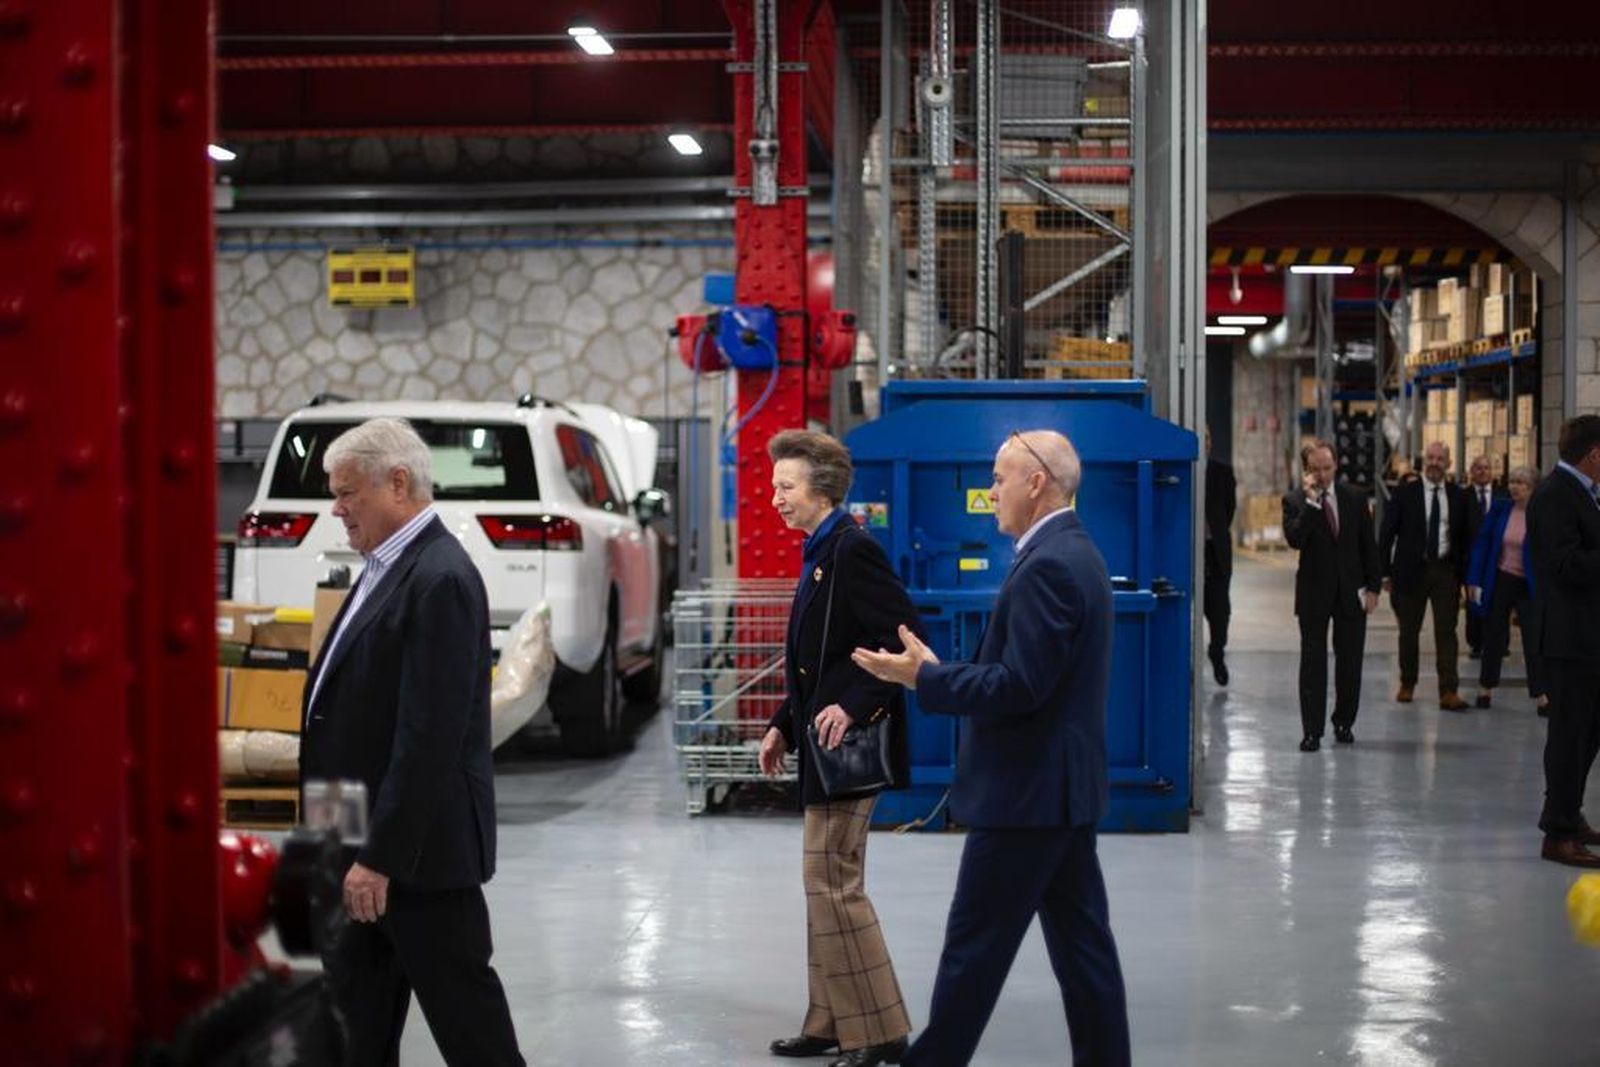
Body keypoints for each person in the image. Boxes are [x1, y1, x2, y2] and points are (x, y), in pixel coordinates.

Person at [852, 429, 1130, 1067]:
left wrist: (923, 676)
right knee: (1085, 955)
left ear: (1037, 483)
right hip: (1057, 794)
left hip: (1026, 797)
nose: (991, 492)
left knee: (973, 952)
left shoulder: (1053, 565)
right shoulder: (1072, 552)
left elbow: (1019, 686)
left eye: (999, 479)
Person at [299, 418, 524, 1066]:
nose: (336, 509)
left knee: (470, 1029)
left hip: (415, 858)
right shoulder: (382, 565)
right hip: (355, 845)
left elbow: (430, 736)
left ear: (397, 482)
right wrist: (331, 844)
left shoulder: (440, 578)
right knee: (356, 1029)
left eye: (347, 493)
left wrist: (380, 856)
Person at [757, 430, 915, 1067]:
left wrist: (852, 703)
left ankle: (878, 1030)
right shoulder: (819, 551)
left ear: (820, 491)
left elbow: (903, 637)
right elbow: (811, 662)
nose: (776, 499)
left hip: (850, 746)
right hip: (821, 744)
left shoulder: (854, 552)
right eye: (775, 487)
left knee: (834, 884)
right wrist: (783, 725)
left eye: (786, 487)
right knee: (822, 884)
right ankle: (829, 1020)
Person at [1528, 415, 1600, 869]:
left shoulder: (1584, 494)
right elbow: (1564, 566)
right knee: (1570, 736)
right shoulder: (1555, 495)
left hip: (1589, 637)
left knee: (1589, 732)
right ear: (1594, 454)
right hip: (1570, 638)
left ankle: (1568, 814)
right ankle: (1557, 835)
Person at [1282, 440, 1381, 750]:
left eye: (1327, 468)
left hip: (1352, 591)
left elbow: (1368, 545)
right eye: (1316, 470)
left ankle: (1343, 722)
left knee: (1350, 661)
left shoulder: (1355, 498)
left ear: (1336, 465)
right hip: (1314, 593)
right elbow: (1296, 539)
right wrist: (1312, 503)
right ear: (1307, 471)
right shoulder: (1295, 500)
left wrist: (1374, 587)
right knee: (1313, 664)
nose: (1323, 475)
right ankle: (1312, 730)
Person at [1379, 441, 1471, 711]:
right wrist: (1384, 573)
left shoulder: (1458, 496)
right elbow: (1386, 534)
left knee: (1447, 632)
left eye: (1440, 459)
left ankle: (1449, 690)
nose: (1434, 462)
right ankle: (1407, 683)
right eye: (1430, 457)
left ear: (1449, 463)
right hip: (1410, 571)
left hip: (1445, 571)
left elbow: (1465, 538)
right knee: (1408, 631)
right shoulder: (1405, 493)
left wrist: (1464, 575)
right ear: (1423, 460)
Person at [1465, 465, 1544, 710]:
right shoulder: (1500, 509)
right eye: (1512, 481)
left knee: (1534, 639)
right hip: (1501, 578)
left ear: (1533, 489)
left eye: (1521, 483)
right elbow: (1482, 544)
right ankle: (1485, 688)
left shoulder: (1541, 515)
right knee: (1494, 636)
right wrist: (1473, 579)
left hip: (1529, 582)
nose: (1514, 487)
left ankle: (1542, 694)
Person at [1204, 427, 1238, 686]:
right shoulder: (1182, 469)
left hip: (1215, 551)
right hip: (1187, 551)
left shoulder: (1222, 472)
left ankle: (1217, 653)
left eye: (1207, 437)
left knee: (1220, 611)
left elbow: (1229, 510)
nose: (1203, 443)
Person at [1463, 454, 1502, 659]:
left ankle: (1498, 643)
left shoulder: (1502, 496)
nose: (1483, 471)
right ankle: (1476, 643)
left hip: (1498, 559)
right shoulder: (1464, 496)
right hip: (1473, 559)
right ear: (1472, 472)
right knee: (1474, 602)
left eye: (1486, 468)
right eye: (1478, 468)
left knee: (1498, 602)